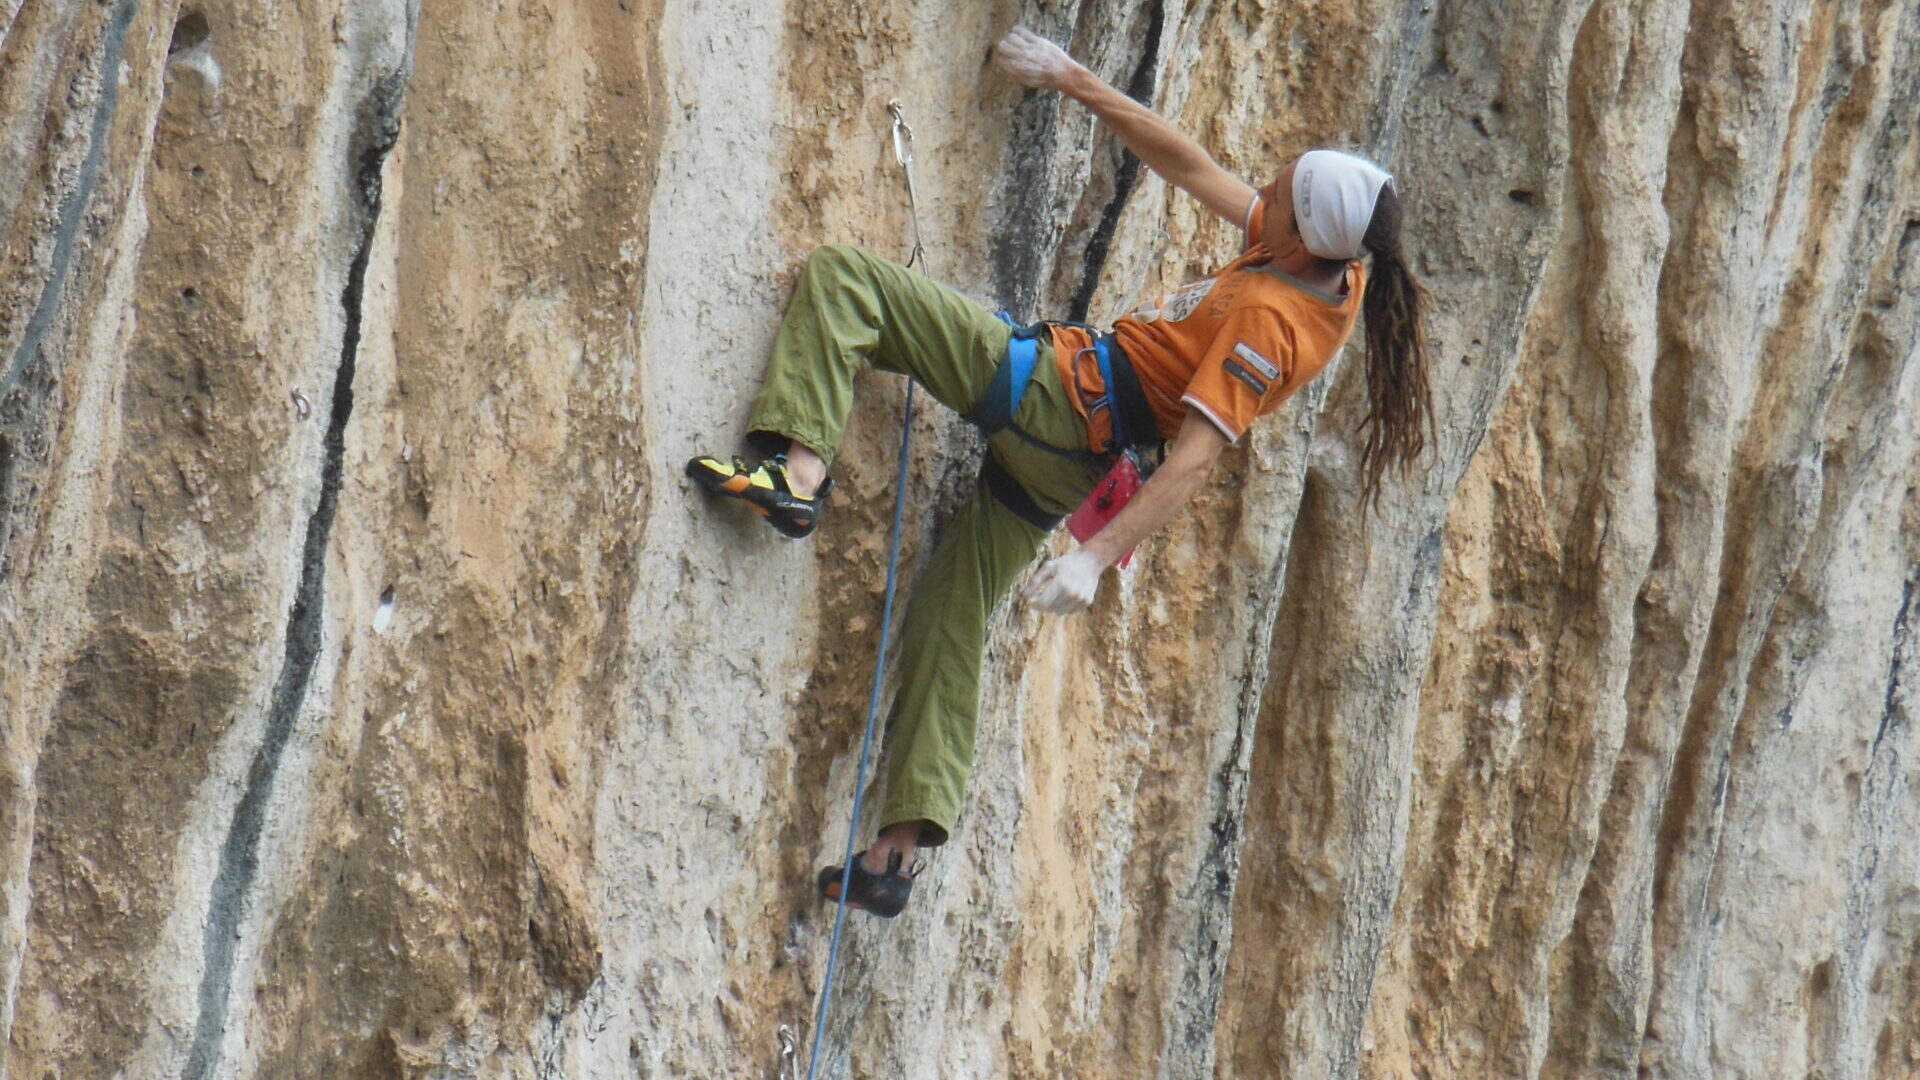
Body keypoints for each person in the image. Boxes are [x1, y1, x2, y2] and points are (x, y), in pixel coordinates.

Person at [687, 25, 1434, 917]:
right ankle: (897, 849)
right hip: (1069, 465)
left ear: (1305, 237)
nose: (1260, 192)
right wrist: (1077, 80)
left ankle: (795, 477)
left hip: (1056, 400)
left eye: (1277, 194)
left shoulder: (1274, 325)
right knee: (953, 607)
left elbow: (1197, 460)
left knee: (851, 282)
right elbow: (1192, 167)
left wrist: (1092, 559)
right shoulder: (1329, 265)